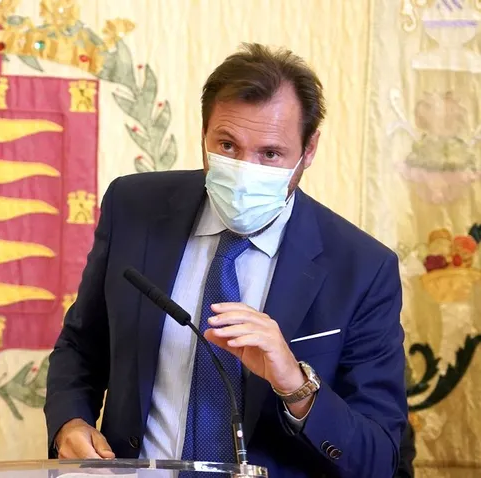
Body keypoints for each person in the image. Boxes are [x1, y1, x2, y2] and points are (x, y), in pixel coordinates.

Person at [44, 43, 408, 477]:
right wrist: (70, 422)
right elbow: (81, 344)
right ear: (204, 134)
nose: (243, 170)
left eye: (270, 154)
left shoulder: (363, 268)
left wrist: (295, 385)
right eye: (227, 145)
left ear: (309, 150)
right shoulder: (133, 207)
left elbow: (380, 459)